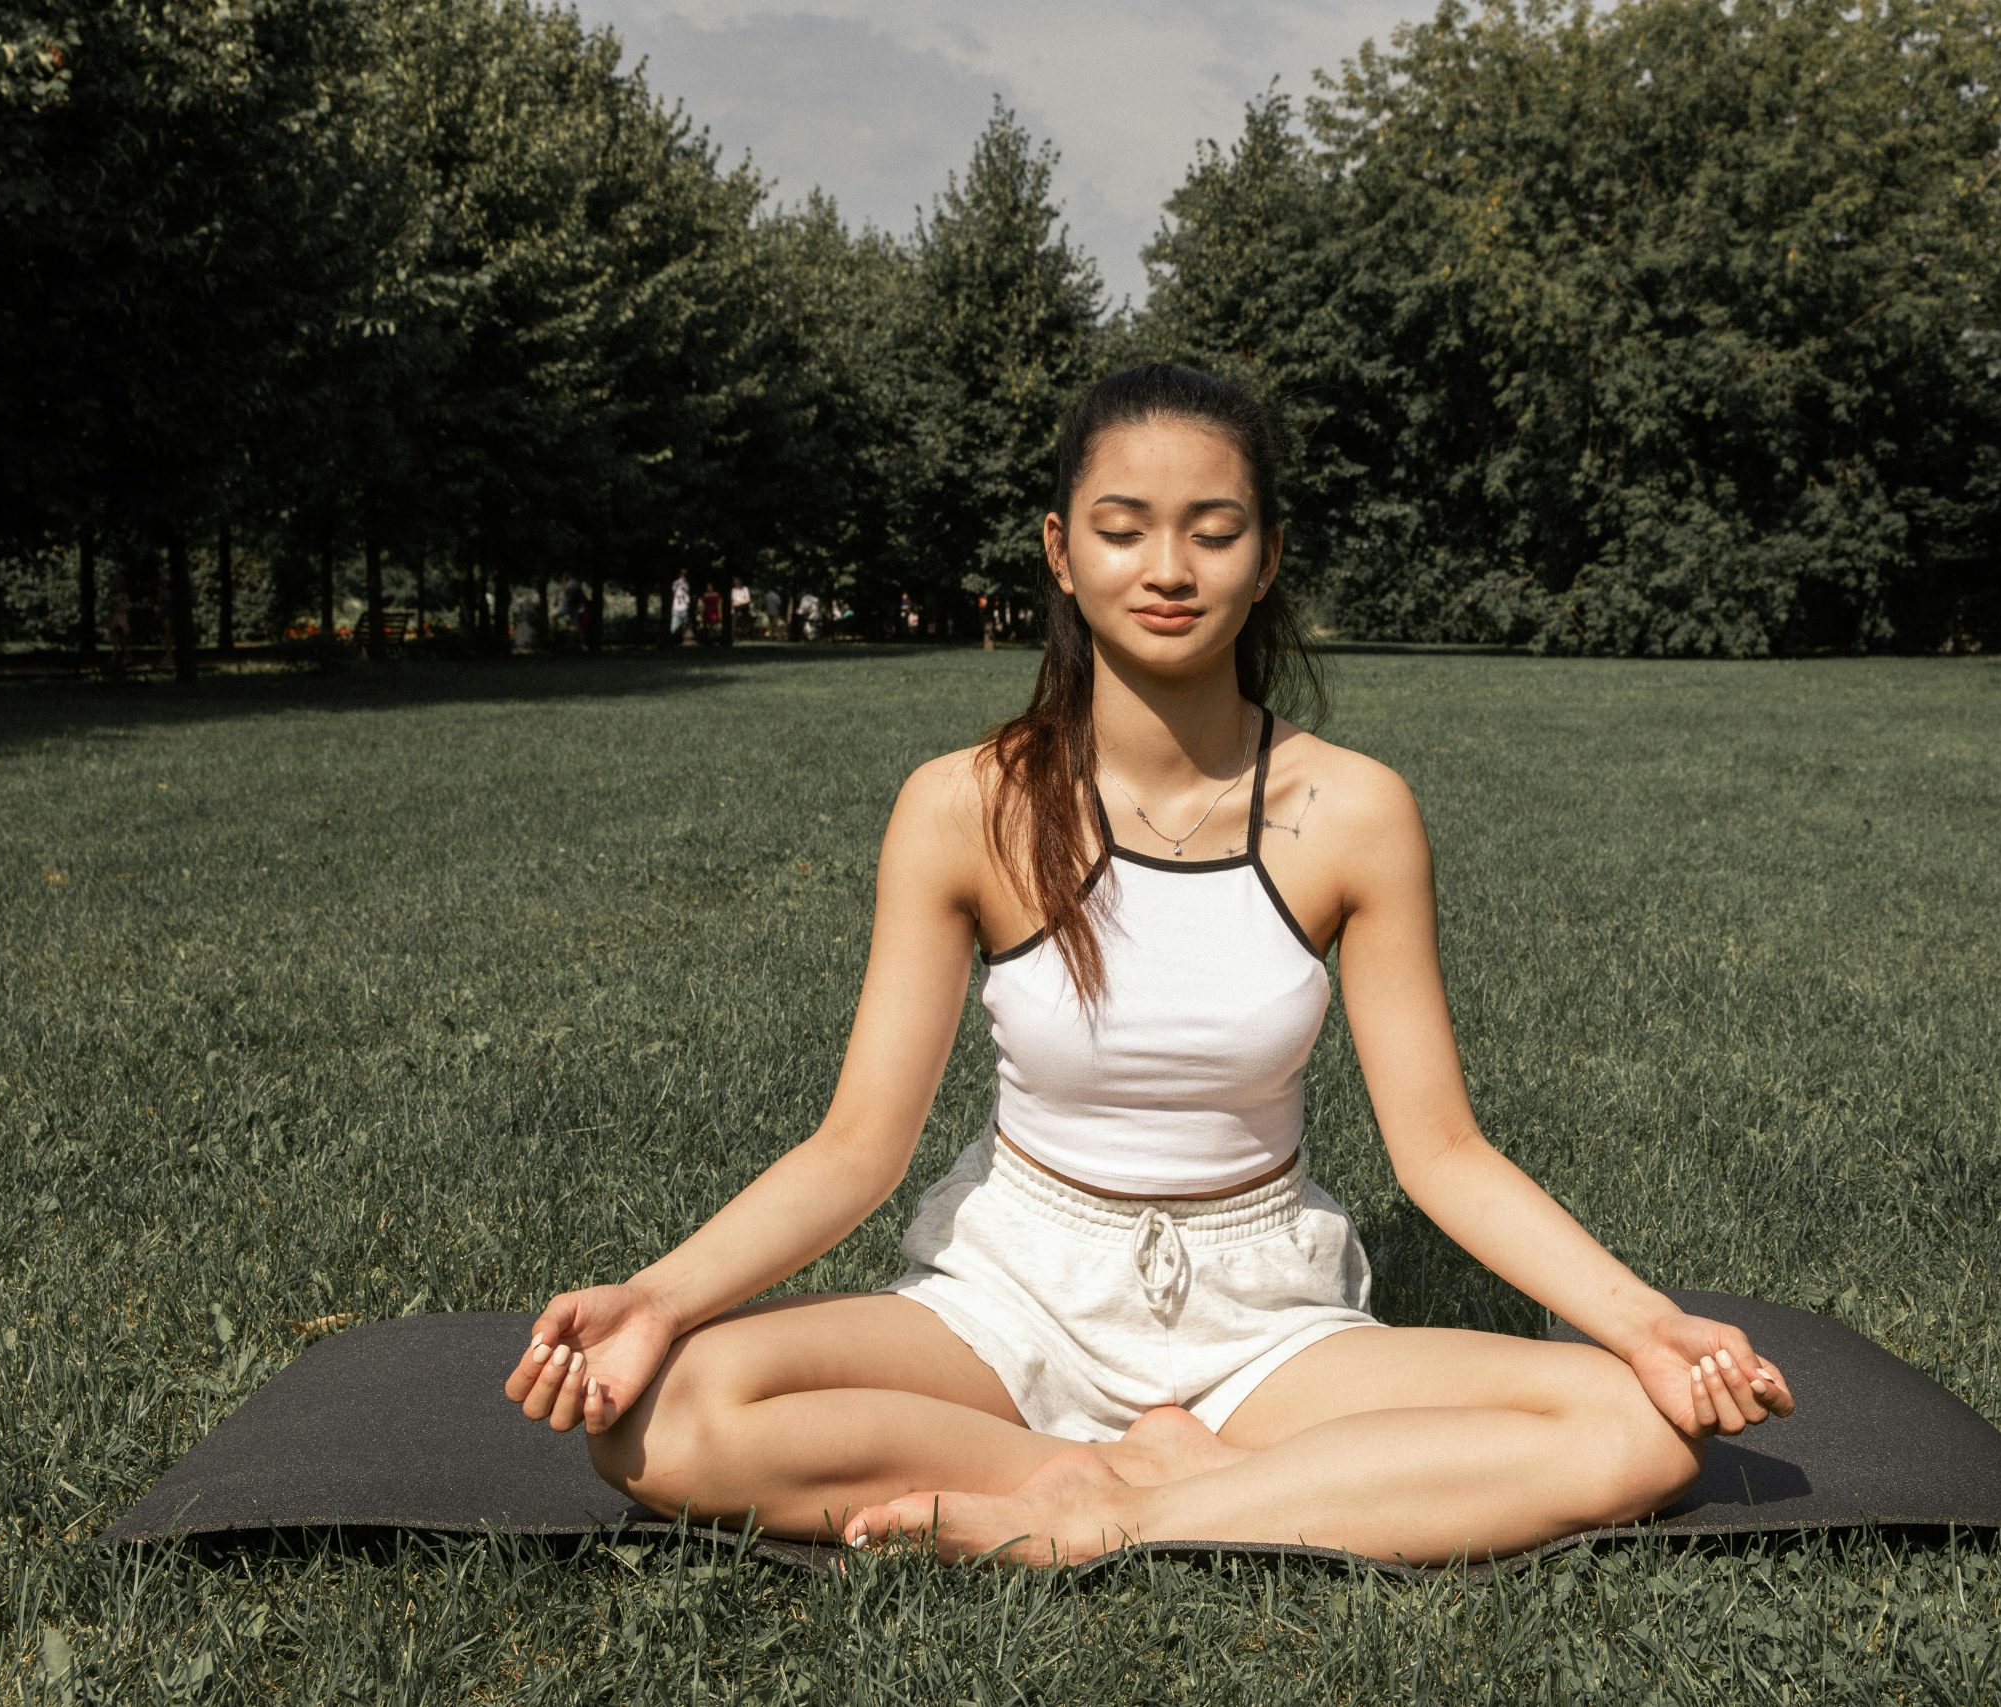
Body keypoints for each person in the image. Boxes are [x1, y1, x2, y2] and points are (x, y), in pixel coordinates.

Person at [502, 362, 1796, 1568]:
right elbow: (856, 1148)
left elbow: (1443, 1152)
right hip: (1011, 1299)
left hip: (1265, 1316)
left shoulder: (1354, 810)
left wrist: (1645, 1322)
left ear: (1268, 555)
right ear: (1060, 552)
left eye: (1214, 532)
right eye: (1122, 529)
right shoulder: (964, 805)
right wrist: (655, 1298)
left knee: (1640, 1429)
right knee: (662, 1420)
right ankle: (1096, 1474)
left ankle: (1121, 1513)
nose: (1168, 568)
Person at [670, 571, 693, 644]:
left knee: (685, 625)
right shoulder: (676, 583)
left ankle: (682, 639)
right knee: (673, 627)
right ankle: (674, 640)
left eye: (684, 576)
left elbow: (687, 595)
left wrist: (683, 588)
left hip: (684, 608)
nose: (683, 578)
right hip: (676, 608)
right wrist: (679, 584)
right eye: (681, 576)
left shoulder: (686, 585)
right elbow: (673, 590)